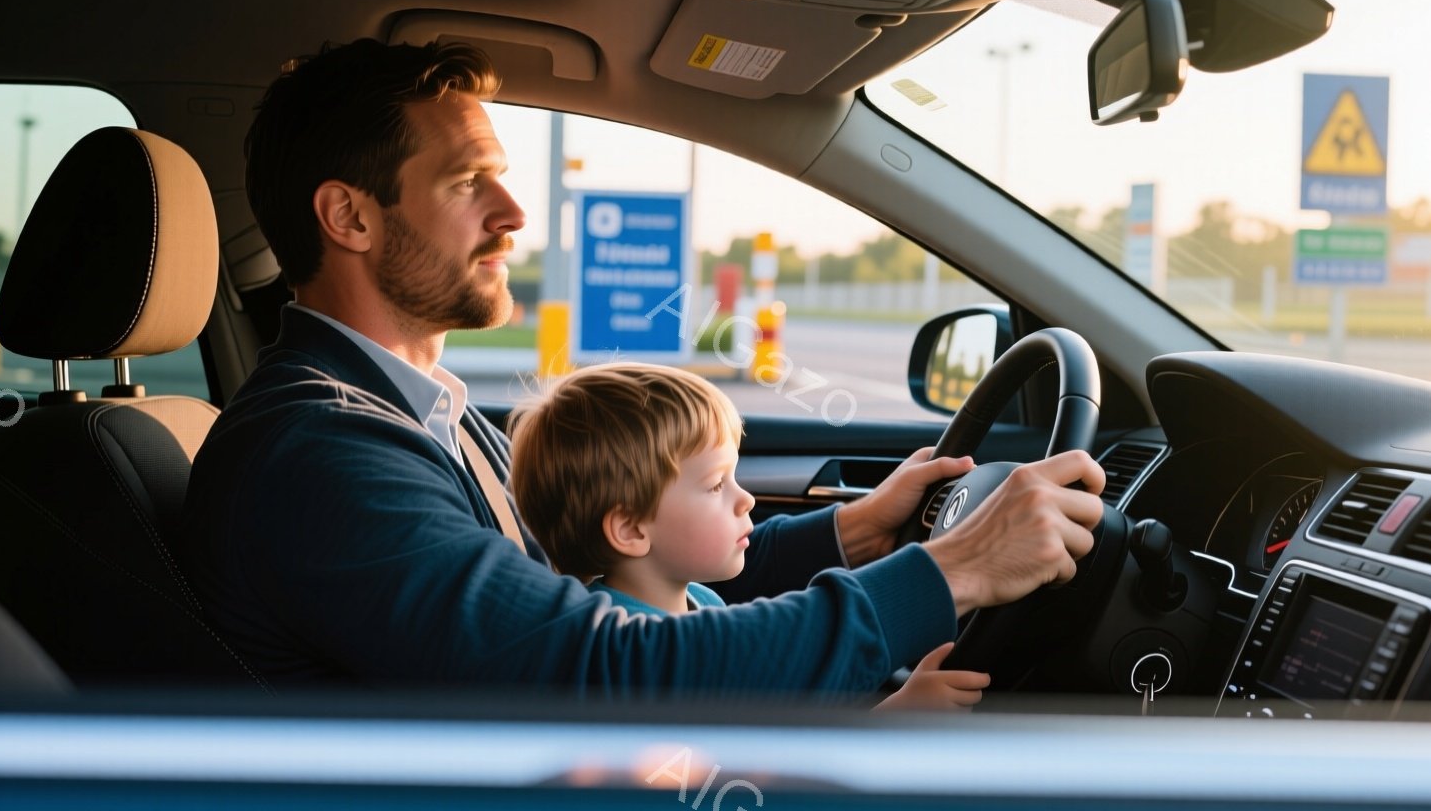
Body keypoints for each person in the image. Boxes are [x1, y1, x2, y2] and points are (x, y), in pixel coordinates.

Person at [179, 38, 1107, 694]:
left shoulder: (418, 414)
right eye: (468, 184)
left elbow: (614, 577)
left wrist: (854, 534)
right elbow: (602, 671)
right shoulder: (321, 455)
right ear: (349, 218)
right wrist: (950, 572)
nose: (513, 213)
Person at [510, 361, 990, 710]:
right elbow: (751, 763)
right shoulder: (639, 659)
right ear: (632, 529)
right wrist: (894, 717)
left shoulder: (699, 600)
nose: (746, 500)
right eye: (716, 485)